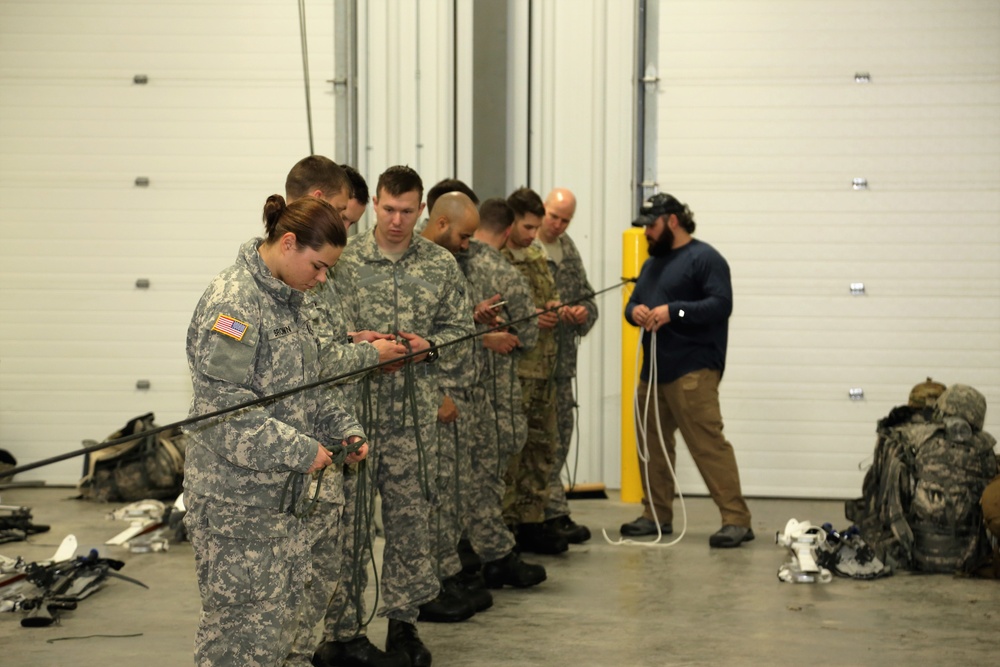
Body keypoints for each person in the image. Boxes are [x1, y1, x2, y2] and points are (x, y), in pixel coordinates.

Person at [183, 195, 368, 666]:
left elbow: (311, 384)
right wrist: (300, 449)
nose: (323, 278)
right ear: (289, 243)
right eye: (319, 265)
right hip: (236, 507)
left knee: (280, 634)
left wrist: (344, 429)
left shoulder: (290, 300)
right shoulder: (235, 303)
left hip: (281, 501)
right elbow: (219, 410)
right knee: (237, 641)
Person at [318, 166, 474, 667]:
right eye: (388, 209)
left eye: (408, 211)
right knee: (350, 527)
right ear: (376, 203)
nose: (397, 220)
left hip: (412, 418)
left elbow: (461, 335)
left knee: (410, 523)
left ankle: (403, 626)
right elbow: (317, 331)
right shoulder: (344, 259)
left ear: (422, 210)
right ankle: (343, 631)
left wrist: (430, 347)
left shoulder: (440, 265)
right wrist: (358, 344)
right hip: (353, 415)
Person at [282, 159, 407, 667]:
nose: (344, 229)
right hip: (294, 447)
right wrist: (369, 355)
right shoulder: (284, 270)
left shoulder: (315, 263)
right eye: (341, 215)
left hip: (324, 437)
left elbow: (319, 345)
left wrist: (353, 340)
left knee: (320, 570)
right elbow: (305, 363)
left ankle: (327, 641)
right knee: (289, 585)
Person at [623, 193, 753, 548]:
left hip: (693, 371)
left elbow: (720, 305)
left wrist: (673, 312)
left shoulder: (705, 259)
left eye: (652, 225)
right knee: (650, 445)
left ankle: (736, 519)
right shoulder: (653, 264)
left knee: (708, 445)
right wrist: (634, 312)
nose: (647, 232)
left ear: (673, 221)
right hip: (653, 372)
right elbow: (635, 301)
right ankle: (655, 515)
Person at [462, 197, 548, 589]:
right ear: (508, 230)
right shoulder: (502, 271)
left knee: (458, 477)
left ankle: (466, 551)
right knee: (489, 477)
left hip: (446, 394)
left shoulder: (440, 263)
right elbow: (528, 335)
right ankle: (494, 553)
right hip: (491, 394)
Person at [500, 187, 567, 555]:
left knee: (543, 446)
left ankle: (532, 518)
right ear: (511, 222)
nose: (532, 234)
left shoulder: (536, 253)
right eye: (527, 227)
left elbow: (544, 295)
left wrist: (554, 307)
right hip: (516, 370)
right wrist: (527, 320)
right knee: (514, 451)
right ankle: (507, 523)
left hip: (545, 367)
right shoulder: (497, 258)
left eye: (536, 227)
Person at [537, 187, 599, 544]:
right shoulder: (526, 249)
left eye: (565, 220)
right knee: (534, 442)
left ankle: (553, 508)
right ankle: (542, 513)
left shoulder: (569, 249)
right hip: (529, 366)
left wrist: (582, 313)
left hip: (561, 365)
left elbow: (588, 297)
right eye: (554, 216)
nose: (558, 225)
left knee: (560, 435)